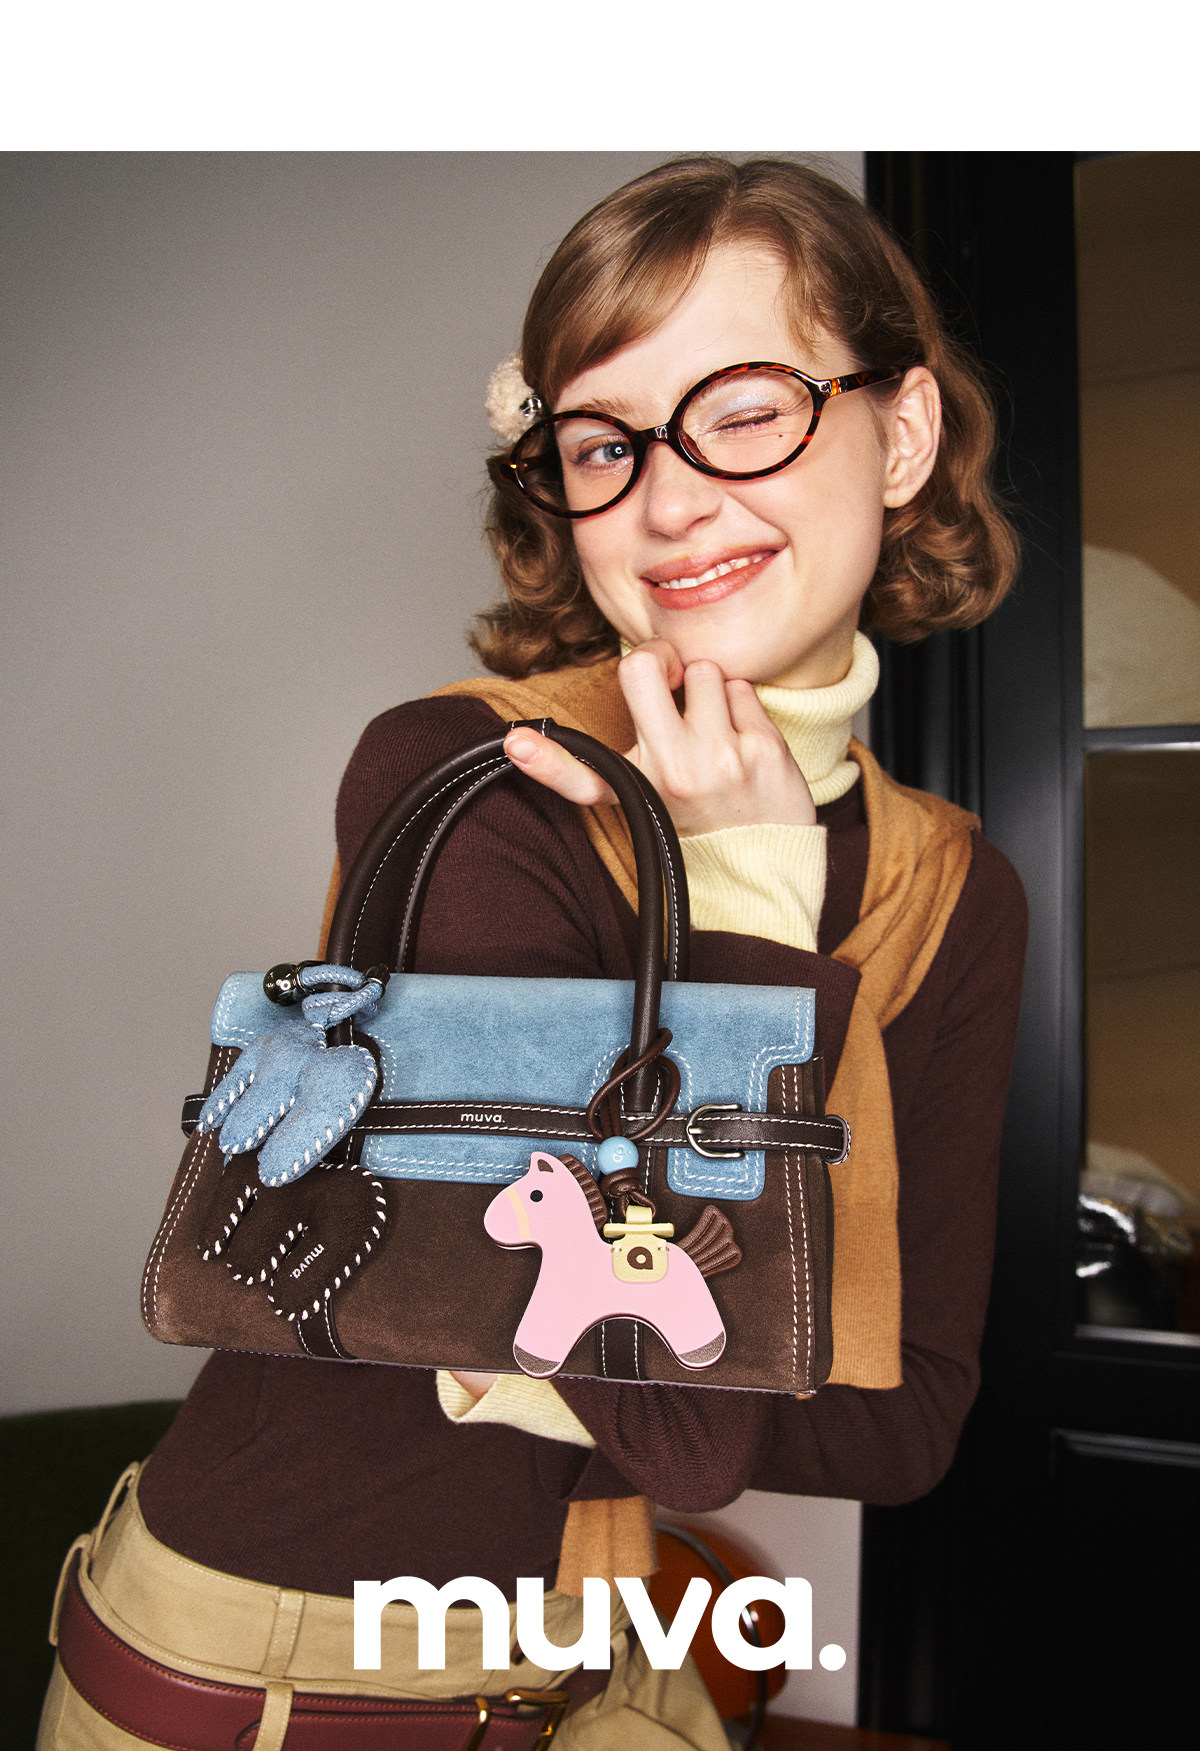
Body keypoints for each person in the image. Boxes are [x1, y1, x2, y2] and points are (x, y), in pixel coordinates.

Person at [38, 156, 1027, 1751]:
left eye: (747, 410)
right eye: (605, 444)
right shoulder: (474, 781)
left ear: (901, 431)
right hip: (267, 1667)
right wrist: (749, 897)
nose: (671, 500)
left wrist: (533, 1347)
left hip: (578, 1650)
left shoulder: (950, 892)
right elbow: (688, 1415)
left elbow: (906, 1421)